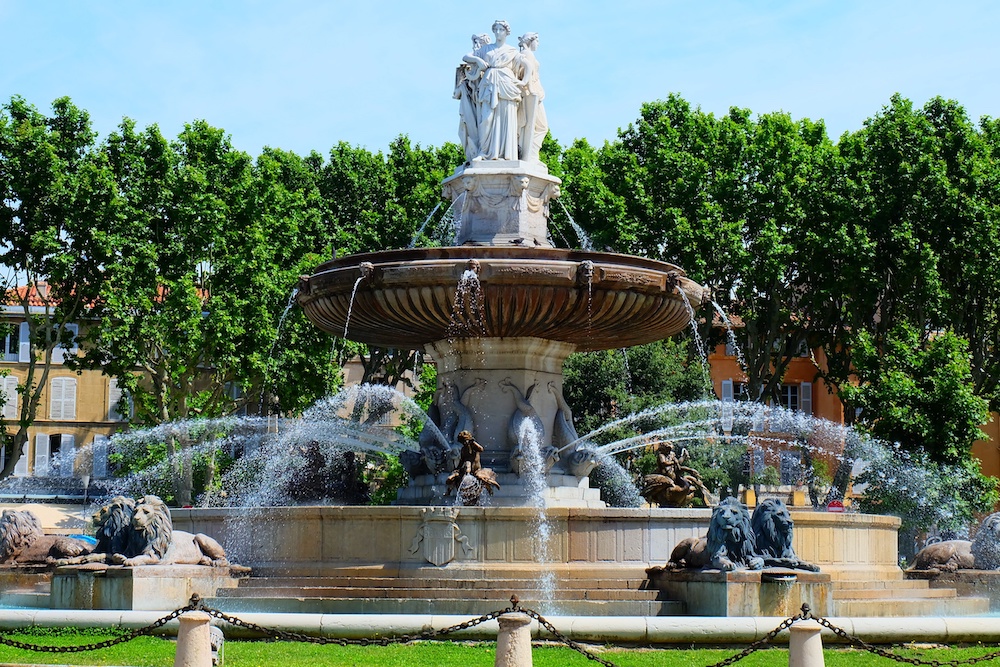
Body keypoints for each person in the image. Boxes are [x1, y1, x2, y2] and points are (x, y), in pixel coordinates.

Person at [463, 20, 522, 161]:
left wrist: (524, 81)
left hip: (506, 85)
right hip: (488, 84)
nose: (497, 32)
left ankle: (507, 154)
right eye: (495, 29)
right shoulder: (486, 49)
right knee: (486, 120)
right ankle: (484, 153)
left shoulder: (512, 51)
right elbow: (466, 57)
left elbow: (526, 64)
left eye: (501, 29)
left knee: (505, 119)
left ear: (507, 32)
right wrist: (477, 60)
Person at [455, 33, 490, 163]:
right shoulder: (476, 56)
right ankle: (477, 151)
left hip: (486, 97)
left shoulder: (488, 54)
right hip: (474, 98)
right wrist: (477, 60)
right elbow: (465, 56)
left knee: (486, 122)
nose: (476, 45)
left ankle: (485, 150)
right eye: (474, 42)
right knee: (471, 126)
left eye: (478, 42)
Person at [516, 32, 547, 163]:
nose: (538, 44)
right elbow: (525, 73)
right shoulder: (527, 54)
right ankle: (531, 155)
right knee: (540, 126)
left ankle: (530, 154)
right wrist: (532, 89)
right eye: (537, 41)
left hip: (532, 93)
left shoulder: (523, 54)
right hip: (531, 94)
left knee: (533, 126)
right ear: (531, 40)